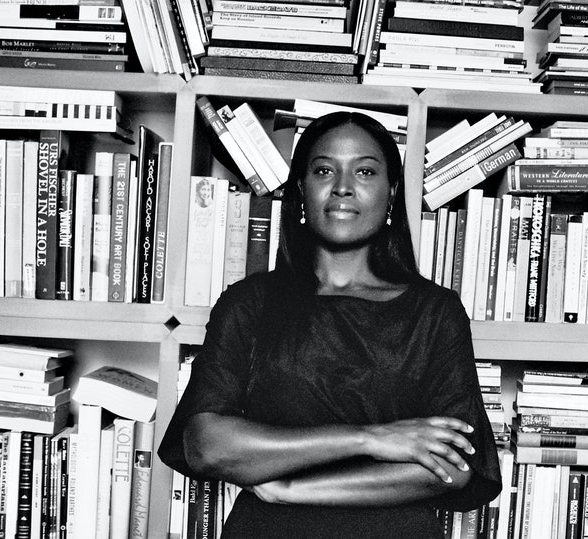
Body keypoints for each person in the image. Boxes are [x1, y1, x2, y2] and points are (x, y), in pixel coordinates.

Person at [158, 111, 501, 538]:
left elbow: (451, 467)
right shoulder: (249, 304)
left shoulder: (436, 312)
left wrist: (290, 489)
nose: (343, 186)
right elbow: (206, 446)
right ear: (301, 190)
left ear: (391, 192)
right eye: (324, 170)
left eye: (364, 171)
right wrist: (370, 439)